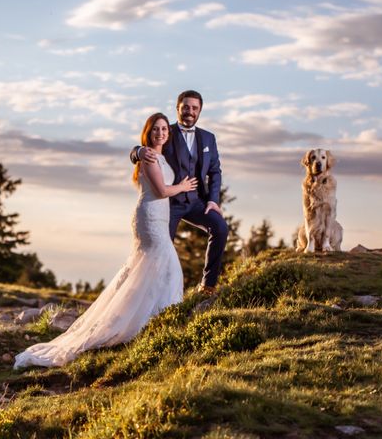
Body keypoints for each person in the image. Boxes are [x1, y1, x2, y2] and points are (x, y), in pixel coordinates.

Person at [14, 113, 196, 368]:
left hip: (158, 218)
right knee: (167, 266)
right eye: (156, 129)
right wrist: (183, 186)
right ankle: (146, 323)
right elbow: (162, 191)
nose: (161, 133)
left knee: (148, 271)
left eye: (164, 129)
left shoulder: (161, 155)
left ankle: (148, 321)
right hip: (151, 218)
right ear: (148, 132)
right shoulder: (149, 155)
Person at [130, 90, 228, 296]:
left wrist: (213, 200)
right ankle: (153, 295)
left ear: (200, 110)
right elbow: (149, 142)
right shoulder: (167, 131)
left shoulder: (209, 138)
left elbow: (215, 171)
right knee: (160, 252)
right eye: (185, 107)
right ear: (178, 108)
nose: (189, 112)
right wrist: (138, 152)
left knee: (220, 227)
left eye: (194, 108)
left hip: (196, 202)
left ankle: (208, 285)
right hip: (168, 204)